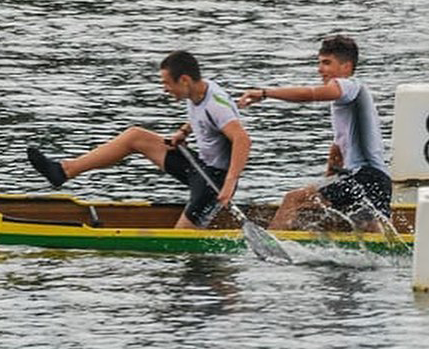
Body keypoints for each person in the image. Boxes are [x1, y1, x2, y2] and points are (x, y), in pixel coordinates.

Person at [27, 50, 251, 229]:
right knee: (135, 136)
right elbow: (203, 118)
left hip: (215, 183)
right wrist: (183, 132)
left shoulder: (215, 103)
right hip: (198, 166)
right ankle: (64, 170)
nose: (165, 89)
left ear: (184, 80)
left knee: (180, 242)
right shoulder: (198, 90)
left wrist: (229, 183)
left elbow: (242, 139)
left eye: (167, 83)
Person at [238, 35, 391, 231]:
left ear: (346, 67)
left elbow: (311, 94)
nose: (320, 70)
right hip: (379, 181)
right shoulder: (348, 105)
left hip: (364, 177)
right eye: (319, 63)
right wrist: (325, 181)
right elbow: (337, 149)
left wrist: (265, 93)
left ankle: (274, 244)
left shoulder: (348, 86)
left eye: (327, 63)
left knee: (293, 200)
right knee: (372, 232)